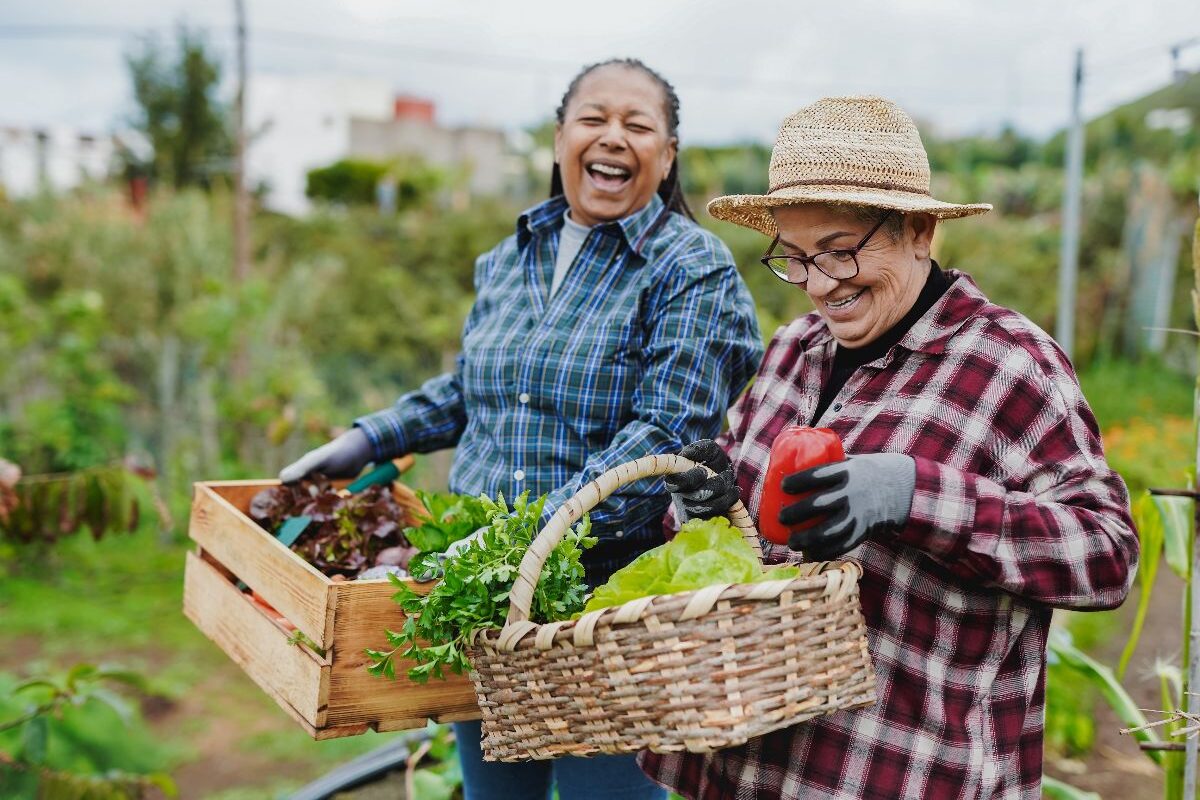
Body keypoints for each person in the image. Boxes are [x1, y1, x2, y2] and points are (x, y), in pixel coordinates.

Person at [280, 58, 763, 800]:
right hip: (480, 590)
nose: (613, 138)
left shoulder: (690, 267)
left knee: (609, 794)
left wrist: (527, 541)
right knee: (495, 791)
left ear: (667, 156)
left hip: (599, 600)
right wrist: (373, 437)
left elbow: (664, 432)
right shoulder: (510, 258)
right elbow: (477, 390)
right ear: (559, 137)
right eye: (593, 118)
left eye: (639, 126)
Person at [642, 95, 1139, 800]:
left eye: (842, 250)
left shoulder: (1008, 364)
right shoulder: (791, 351)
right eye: (796, 256)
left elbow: (1106, 553)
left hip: (896, 773)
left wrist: (913, 493)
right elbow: (751, 553)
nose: (819, 283)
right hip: (743, 771)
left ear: (920, 230)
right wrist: (708, 507)